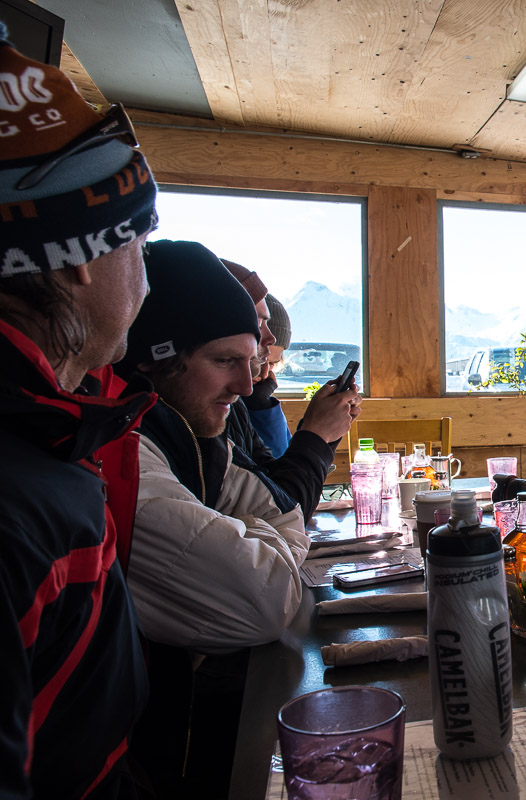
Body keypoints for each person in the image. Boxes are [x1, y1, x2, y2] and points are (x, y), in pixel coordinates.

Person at [114, 240, 336, 796]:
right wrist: (267, 537)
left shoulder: (192, 441)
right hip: (139, 762)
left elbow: (277, 507)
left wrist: (257, 535)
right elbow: (261, 598)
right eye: (223, 361)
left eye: (249, 356)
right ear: (156, 358)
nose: (245, 385)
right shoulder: (124, 451)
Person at [0, 35, 158, 798]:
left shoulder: (50, 430)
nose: (148, 283)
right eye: (141, 244)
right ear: (78, 260)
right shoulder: (16, 494)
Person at [221, 261, 359, 519]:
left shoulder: (236, 406)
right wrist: (316, 433)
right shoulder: (210, 412)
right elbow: (284, 509)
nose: (268, 338)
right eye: (223, 361)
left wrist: (323, 435)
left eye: (271, 363)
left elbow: (278, 479)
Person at [242, 291, 293, 455]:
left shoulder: (264, 404)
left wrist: (262, 408)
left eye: (271, 364)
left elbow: (283, 458)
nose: (263, 373)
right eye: (257, 359)